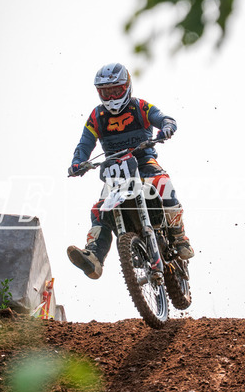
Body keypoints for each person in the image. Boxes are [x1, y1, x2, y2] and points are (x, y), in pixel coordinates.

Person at [67, 62, 194, 279]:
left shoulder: (140, 107)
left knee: (163, 183)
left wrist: (166, 127)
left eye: (116, 91)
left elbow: (164, 118)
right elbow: (84, 144)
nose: (111, 97)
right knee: (99, 210)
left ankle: (179, 236)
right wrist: (77, 163)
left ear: (127, 87)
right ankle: (94, 257)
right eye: (106, 92)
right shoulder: (96, 117)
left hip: (144, 162)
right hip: (115, 171)